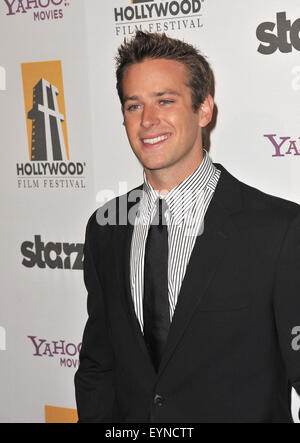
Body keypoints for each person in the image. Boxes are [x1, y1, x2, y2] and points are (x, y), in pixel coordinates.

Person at [74, 31, 300, 423]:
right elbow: (100, 365)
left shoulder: (279, 230)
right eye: (134, 105)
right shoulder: (105, 230)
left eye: (165, 101)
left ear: (204, 109)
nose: (148, 121)